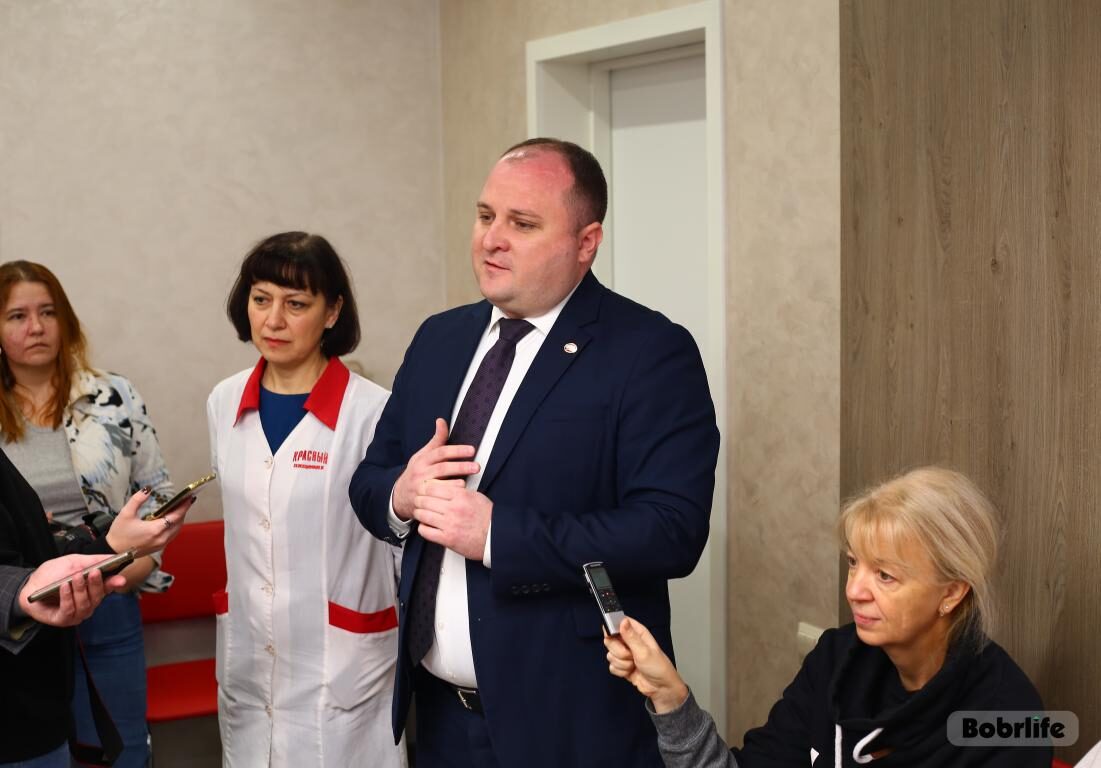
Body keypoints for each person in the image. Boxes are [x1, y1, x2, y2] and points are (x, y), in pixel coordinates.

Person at [350, 138, 720, 767]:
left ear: (586, 242)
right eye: (485, 215)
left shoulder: (649, 352)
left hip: (570, 722)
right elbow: (368, 481)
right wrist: (401, 495)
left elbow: (670, 531)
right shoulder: (440, 338)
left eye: (522, 224)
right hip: (438, 718)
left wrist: (499, 536)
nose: (491, 239)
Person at [605, 467, 1051, 767]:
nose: (854, 590)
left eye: (885, 576)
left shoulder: (1009, 718)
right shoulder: (836, 660)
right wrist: (670, 698)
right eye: (854, 563)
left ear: (951, 593)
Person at [207, 232, 403, 767]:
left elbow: (400, 546)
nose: (273, 320)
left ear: (332, 312)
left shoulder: (375, 413)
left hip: (345, 670)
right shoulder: (223, 401)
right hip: (249, 662)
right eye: (261, 299)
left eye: (296, 304)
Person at [0, 260, 188, 767]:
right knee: (46, 755)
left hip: (111, 596)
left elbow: (157, 494)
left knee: (122, 750)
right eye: (17, 316)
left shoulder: (113, 395)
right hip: (20, 616)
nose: (36, 327)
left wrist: (135, 565)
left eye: (47, 312)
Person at [1, 442, 187, 767]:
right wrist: (20, 590)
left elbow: (29, 549)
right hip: (18, 710)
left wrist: (113, 548)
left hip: (42, 686)